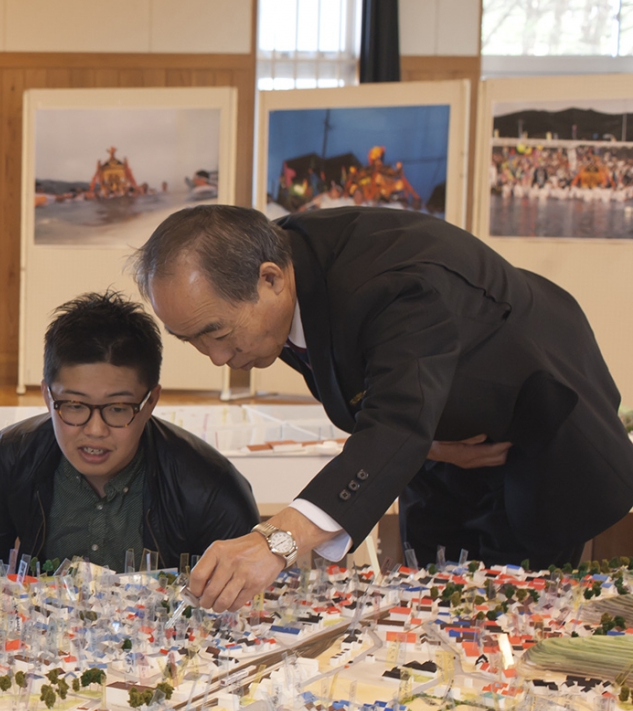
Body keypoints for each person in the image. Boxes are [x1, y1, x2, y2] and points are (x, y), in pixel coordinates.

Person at [134, 203, 633, 611]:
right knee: (430, 604)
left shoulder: (393, 286)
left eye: (217, 333)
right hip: (437, 446)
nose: (217, 357)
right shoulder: (272, 256)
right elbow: (394, 414)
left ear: (270, 279)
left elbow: (396, 421)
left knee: (514, 616)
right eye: (191, 340)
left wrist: (277, 540)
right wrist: (431, 446)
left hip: (538, 434)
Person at [0, 291, 257, 574]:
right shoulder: (8, 459)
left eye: (118, 409)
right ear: (47, 397)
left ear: (150, 402)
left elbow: (249, 605)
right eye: (74, 406)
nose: (95, 430)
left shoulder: (209, 485)